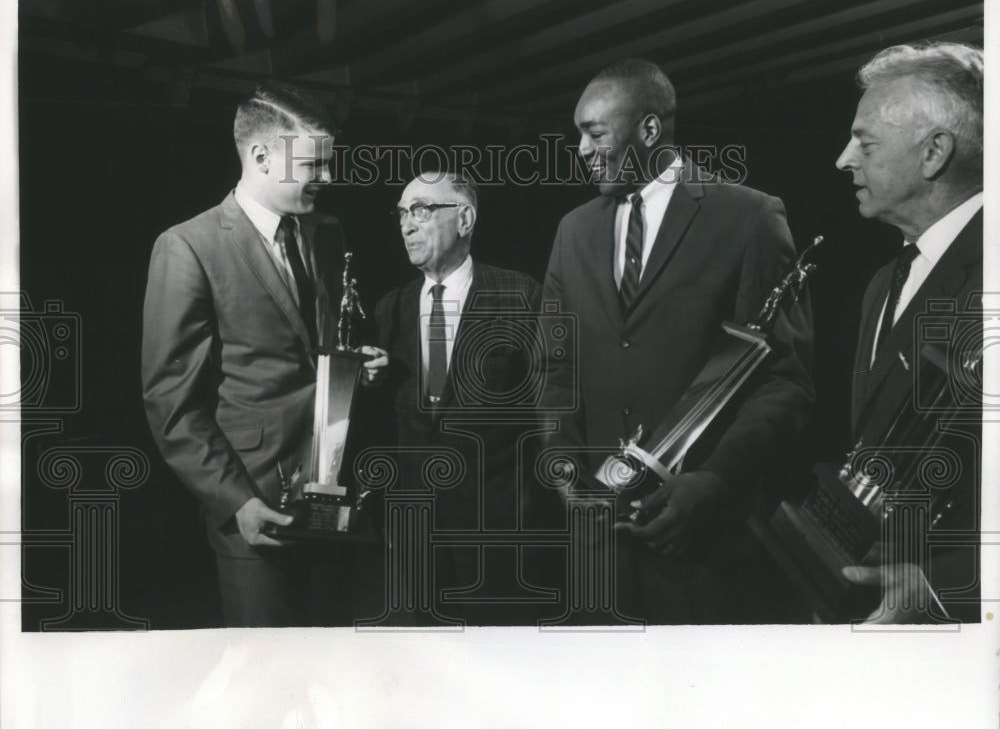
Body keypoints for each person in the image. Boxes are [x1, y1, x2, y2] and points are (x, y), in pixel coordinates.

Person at [541, 59, 815, 624]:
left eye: (594, 134)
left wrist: (713, 483)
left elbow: (785, 382)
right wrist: (561, 463)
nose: (582, 149)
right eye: (578, 135)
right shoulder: (573, 230)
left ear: (648, 130)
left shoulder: (750, 217)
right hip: (599, 549)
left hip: (701, 545)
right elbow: (554, 366)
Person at [142, 81, 383, 627]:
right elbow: (170, 402)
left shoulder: (327, 233)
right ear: (259, 156)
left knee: (329, 674)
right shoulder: (187, 246)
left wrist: (356, 365)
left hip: (331, 500)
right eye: (314, 165)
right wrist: (236, 503)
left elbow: (320, 347)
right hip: (256, 510)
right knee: (266, 682)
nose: (327, 177)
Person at [834, 42, 983, 624]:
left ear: (933, 153)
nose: (843, 159)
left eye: (864, 143)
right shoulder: (882, 282)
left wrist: (944, 585)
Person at [360, 171, 546, 625]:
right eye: (402, 213)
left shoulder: (520, 296)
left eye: (421, 210)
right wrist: (365, 385)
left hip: (497, 536)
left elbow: (551, 411)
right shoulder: (389, 309)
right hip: (411, 541)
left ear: (464, 219)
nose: (407, 225)